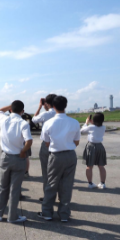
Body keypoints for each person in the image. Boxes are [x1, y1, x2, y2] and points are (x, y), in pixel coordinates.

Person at [37, 95, 80, 223]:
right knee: (67, 185)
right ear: (65, 106)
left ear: (53, 106)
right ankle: (64, 214)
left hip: (55, 155)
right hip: (70, 155)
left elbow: (46, 143)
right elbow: (76, 141)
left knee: (51, 184)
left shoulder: (48, 123)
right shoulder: (74, 122)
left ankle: (47, 212)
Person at [0, 101, 32, 223]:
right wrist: (23, 152)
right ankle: (12, 216)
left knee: (2, 186)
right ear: (22, 111)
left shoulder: (4, 119)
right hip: (19, 158)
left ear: (10, 110)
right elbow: (29, 141)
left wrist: (10, 106)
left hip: (5, 156)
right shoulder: (23, 123)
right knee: (15, 188)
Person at [31, 94, 57, 201]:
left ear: (47, 103)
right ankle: (59, 195)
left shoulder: (46, 114)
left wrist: (39, 107)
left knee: (46, 172)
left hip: (47, 144)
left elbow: (33, 120)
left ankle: (48, 196)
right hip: (59, 146)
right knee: (57, 172)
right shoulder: (61, 114)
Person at [81, 113, 107, 189]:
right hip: (100, 146)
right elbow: (97, 126)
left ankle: (90, 183)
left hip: (91, 146)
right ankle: (102, 183)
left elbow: (82, 131)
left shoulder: (90, 127)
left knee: (89, 166)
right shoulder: (103, 127)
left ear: (93, 120)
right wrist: (93, 122)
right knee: (101, 166)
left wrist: (86, 122)